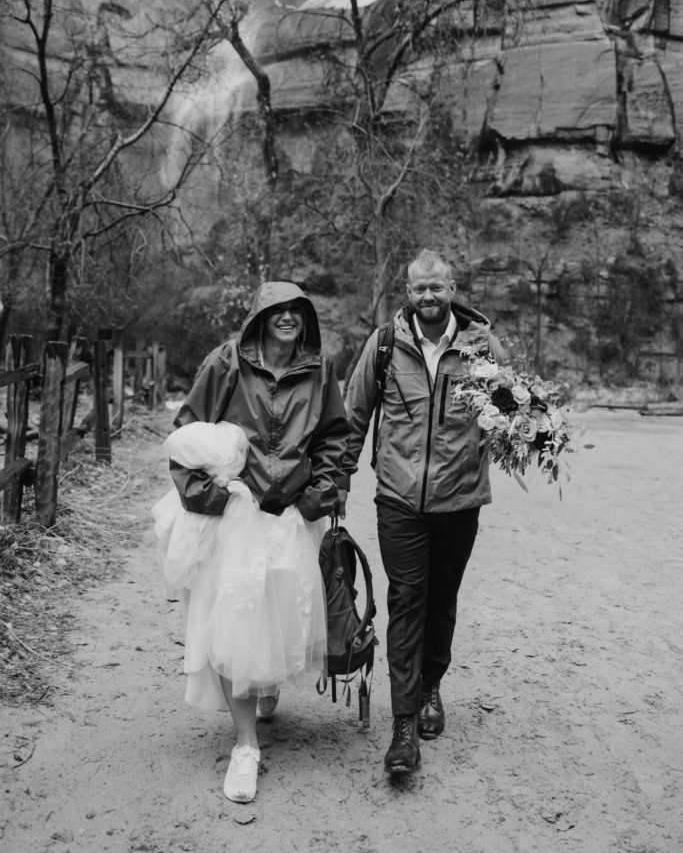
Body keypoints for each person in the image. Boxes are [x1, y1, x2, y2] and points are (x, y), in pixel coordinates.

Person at [153, 281, 349, 803]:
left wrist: (316, 498)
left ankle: (265, 686)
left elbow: (335, 436)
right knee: (235, 619)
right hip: (236, 512)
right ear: (259, 317)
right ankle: (245, 748)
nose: (287, 318)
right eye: (276, 310)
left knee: (279, 610)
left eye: (296, 310)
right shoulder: (225, 362)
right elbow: (187, 435)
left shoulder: (320, 368)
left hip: (290, 513)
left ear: (306, 316)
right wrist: (213, 501)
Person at [341, 249, 505, 773]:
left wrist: (536, 429)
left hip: (459, 499)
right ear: (407, 292)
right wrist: (339, 477)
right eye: (418, 289)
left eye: (437, 288)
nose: (428, 297)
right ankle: (404, 726)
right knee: (407, 600)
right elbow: (355, 412)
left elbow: (514, 406)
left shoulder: (481, 345)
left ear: (452, 287)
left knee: (441, 600)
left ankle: (432, 684)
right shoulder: (386, 344)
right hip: (398, 498)